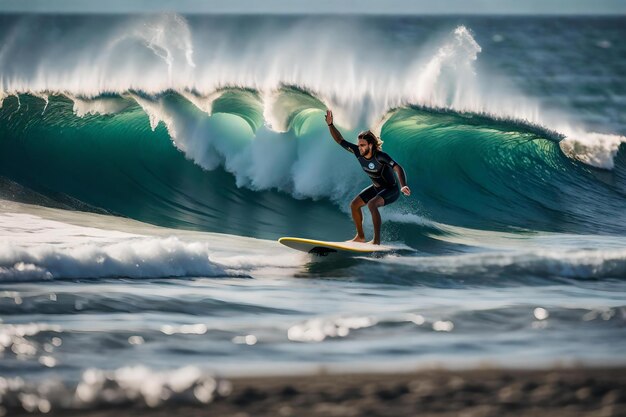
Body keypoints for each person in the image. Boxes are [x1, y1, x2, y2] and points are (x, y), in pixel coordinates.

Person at [326, 110, 410, 245]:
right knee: (354, 205)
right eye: (359, 145)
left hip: (391, 190)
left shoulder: (380, 156)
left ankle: (376, 241)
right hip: (377, 188)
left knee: (372, 204)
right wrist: (330, 125)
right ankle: (360, 237)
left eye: (362, 145)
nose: (359, 148)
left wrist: (403, 185)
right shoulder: (358, 153)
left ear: (370, 145)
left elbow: (397, 167)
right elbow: (340, 140)